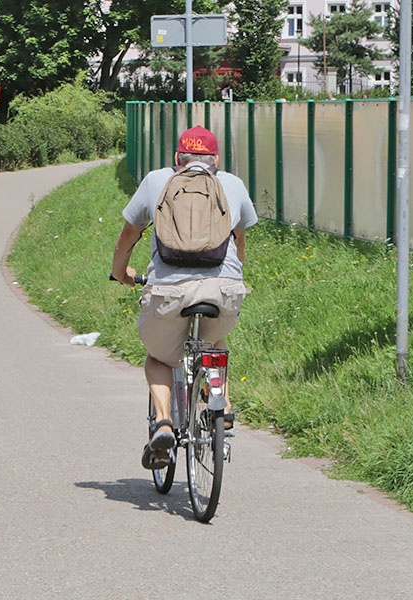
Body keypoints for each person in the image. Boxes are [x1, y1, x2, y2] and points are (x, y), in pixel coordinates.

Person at [111, 125, 258, 469]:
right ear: (215, 159)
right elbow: (240, 241)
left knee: (159, 357)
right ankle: (222, 402)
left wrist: (121, 272)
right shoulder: (232, 184)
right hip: (224, 289)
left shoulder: (156, 180)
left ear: (177, 158)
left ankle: (163, 422)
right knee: (215, 339)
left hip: (168, 290)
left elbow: (129, 232)